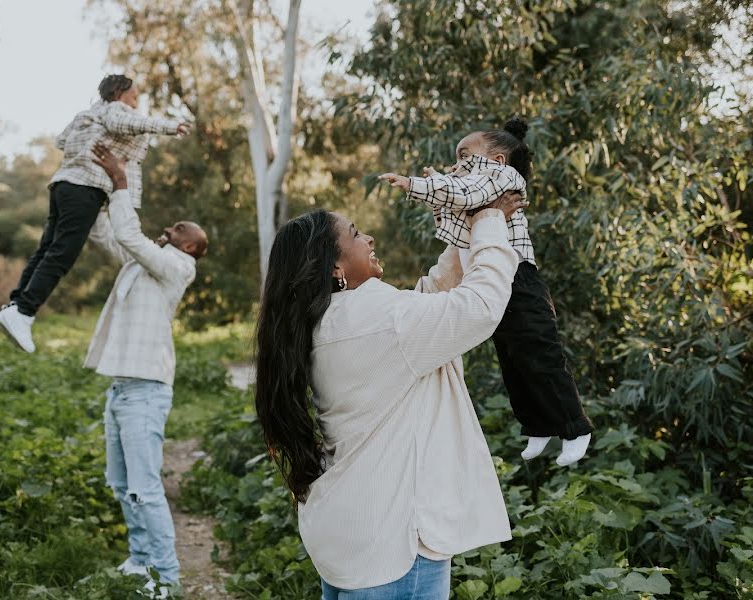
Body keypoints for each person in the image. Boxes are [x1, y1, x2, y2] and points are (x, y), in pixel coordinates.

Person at [254, 190, 525, 598]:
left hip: (350, 533)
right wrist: (489, 222)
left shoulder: (328, 322)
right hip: (394, 545)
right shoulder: (384, 323)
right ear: (335, 267)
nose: (370, 239)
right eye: (356, 234)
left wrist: (464, 232)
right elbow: (480, 306)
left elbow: (428, 304)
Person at [378, 117, 594, 466]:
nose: (459, 161)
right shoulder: (479, 180)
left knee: (541, 356)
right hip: (492, 277)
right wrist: (439, 181)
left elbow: (465, 195)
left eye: (465, 155)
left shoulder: (505, 178)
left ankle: (575, 427)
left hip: (519, 278)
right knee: (513, 359)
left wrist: (414, 184)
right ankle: (538, 425)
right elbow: (454, 208)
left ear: (497, 160)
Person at [85, 143, 207, 599]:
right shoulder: (145, 265)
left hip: (147, 390)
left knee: (144, 486)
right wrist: (98, 192)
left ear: (190, 246)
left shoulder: (178, 267)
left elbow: (133, 239)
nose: (170, 227)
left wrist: (122, 183)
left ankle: (167, 576)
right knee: (121, 483)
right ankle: (140, 560)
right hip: (121, 388)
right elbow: (114, 238)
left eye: (180, 228)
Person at [0, 74, 191, 353]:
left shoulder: (86, 115)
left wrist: (90, 144)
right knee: (63, 252)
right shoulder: (116, 110)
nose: (135, 105)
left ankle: (16, 305)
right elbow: (126, 122)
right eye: (134, 97)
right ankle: (25, 312)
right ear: (118, 93)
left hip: (63, 185)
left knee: (47, 248)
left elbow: (61, 141)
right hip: (86, 189)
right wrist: (170, 127)